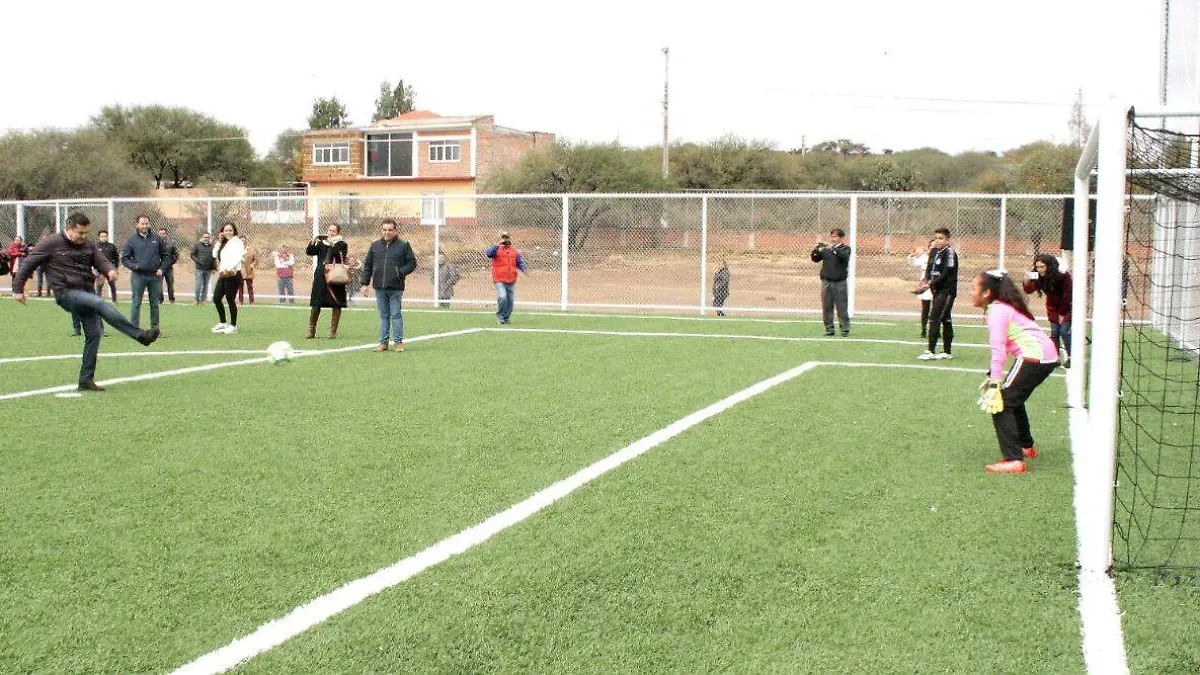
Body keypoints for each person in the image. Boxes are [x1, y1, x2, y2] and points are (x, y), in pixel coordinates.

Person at [11, 213, 159, 392]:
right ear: (68, 229)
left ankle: (86, 380)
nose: (83, 237)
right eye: (80, 233)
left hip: (85, 292)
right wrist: (18, 289)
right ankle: (140, 335)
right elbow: (28, 263)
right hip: (66, 293)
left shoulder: (88, 244)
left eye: (86, 233)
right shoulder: (51, 243)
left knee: (94, 334)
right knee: (99, 303)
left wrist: (109, 271)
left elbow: (100, 260)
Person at [972, 270, 1060, 474]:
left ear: (986, 293)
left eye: (974, 288)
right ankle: (1025, 447)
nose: (971, 292)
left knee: (1001, 402)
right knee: (1012, 398)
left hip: (1036, 357)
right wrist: (991, 376)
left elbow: (998, 349)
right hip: (1043, 356)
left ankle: (1013, 459)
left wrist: (995, 384)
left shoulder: (997, 311)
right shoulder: (1001, 308)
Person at [360, 218, 418, 352]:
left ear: (395, 231)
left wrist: (400, 272)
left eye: (390, 230)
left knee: (396, 314)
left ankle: (398, 343)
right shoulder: (375, 246)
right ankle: (383, 343)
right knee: (383, 315)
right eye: (384, 230)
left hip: (396, 287)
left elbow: (412, 263)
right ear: (381, 231)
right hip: (379, 287)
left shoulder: (403, 246)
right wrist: (364, 284)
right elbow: (368, 265)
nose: (387, 232)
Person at [1022, 253, 1073, 367]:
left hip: (1067, 306)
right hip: (1053, 307)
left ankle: (1071, 357)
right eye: (1038, 267)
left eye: (1042, 267)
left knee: (1064, 331)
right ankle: (1054, 358)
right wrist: (1026, 281)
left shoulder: (1063, 276)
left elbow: (1067, 295)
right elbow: (1029, 290)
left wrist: (1062, 313)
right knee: (1054, 333)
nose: (1039, 270)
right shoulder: (1038, 276)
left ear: (1049, 266)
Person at [120, 214, 168, 332]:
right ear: (137, 224)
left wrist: (162, 269)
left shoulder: (157, 239)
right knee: (136, 303)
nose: (145, 226)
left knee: (155, 304)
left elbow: (166, 256)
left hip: (154, 276)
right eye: (142, 224)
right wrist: (135, 267)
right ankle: (134, 329)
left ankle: (155, 329)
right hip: (138, 276)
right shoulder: (132, 240)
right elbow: (124, 259)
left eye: (147, 223)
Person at [918, 228, 958, 360]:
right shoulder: (934, 251)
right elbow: (929, 268)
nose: (938, 241)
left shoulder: (950, 252)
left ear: (948, 240)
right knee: (945, 318)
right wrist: (925, 280)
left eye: (941, 238)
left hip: (947, 291)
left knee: (934, 317)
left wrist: (931, 283)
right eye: (936, 238)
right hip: (936, 290)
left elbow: (947, 272)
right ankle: (947, 352)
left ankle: (930, 350)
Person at [305, 223, 349, 339]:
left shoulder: (342, 244)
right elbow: (309, 252)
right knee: (316, 303)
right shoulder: (321, 243)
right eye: (329, 230)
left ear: (338, 232)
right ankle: (311, 330)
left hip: (335, 276)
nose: (331, 233)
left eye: (334, 231)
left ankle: (332, 331)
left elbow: (339, 257)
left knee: (336, 303)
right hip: (321, 276)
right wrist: (313, 241)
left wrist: (331, 244)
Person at [810, 228, 852, 337]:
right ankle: (829, 329)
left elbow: (844, 257)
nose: (833, 239)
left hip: (840, 282)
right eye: (832, 237)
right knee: (827, 306)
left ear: (841, 238)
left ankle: (844, 329)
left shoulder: (845, 249)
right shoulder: (826, 250)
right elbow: (815, 259)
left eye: (836, 237)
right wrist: (817, 250)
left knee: (841, 306)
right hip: (826, 281)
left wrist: (832, 248)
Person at [211, 222, 245, 335]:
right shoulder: (223, 242)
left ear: (234, 231)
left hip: (233, 274)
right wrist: (219, 241)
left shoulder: (237, 242)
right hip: (223, 274)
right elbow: (214, 254)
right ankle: (223, 322)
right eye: (226, 230)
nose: (228, 232)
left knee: (230, 299)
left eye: (230, 230)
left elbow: (238, 257)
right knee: (216, 298)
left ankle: (233, 325)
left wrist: (229, 269)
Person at [486, 231, 527, 324]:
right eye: (503, 238)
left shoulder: (514, 251)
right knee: (502, 297)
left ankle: (506, 317)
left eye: (506, 238)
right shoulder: (495, 250)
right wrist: (497, 245)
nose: (505, 239)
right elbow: (488, 254)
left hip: (511, 280)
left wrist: (523, 268)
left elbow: (519, 261)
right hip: (499, 279)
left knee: (510, 300)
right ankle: (500, 315)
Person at [907, 239, 935, 338]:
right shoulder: (924, 258)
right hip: (925, 286)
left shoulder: (941, 257)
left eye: (934, 246)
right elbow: (912, 263)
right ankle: (924, 329)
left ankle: (935, 329)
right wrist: (913, 255)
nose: (932, 248)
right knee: (925, 308)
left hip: (937, 285)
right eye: (931, 246)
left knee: (937, 309)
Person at [190, 232, 215, 305]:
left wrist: (214, 267)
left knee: (205, 285)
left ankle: (202, 300)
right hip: (199, 269)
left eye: (208, 237)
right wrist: (198, 261)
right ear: (202, 237)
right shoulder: (197, 245)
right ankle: (196, 300)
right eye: (205, 237)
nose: (206, 239)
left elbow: (214, 258)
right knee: (198, 285)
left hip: (208, 269)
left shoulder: (212, 246)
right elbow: (192, 254)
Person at [94, 231, 120, 301]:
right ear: (99, 237)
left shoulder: (112, 246)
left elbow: (116, 258)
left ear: (107, 237)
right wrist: (95, 269)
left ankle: (114, 300)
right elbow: (93, 258)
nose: (104, 238)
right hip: (99, 269)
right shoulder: (96, 247)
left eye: (105, 236)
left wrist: (116, 268)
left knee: (112, 285)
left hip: (110, 269)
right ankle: (98, 300)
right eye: (102, 236)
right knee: (99, 285)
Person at [156, 227, 179, 304]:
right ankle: (160, 299)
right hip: (159, 268)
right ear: (158, 234)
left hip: (169, 268)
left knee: (170, 284)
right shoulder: (155, 244)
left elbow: (176, 254)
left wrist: (171, 262)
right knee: (159, 284)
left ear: (166, 234)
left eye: (164, 233)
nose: (162, 235)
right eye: (160, 233)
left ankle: (171, 299)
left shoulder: (171, 244)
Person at [238, 237, 258, 305]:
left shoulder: (251, 250)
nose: (243, 242)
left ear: (246, 241)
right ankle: (241, 301)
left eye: (244, 240)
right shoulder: (236, 250)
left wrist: (252, 265)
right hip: (240, 271)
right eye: (241, 240)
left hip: (249, 271)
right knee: (240, 287)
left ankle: (251, 301)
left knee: (250, 287)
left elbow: (255, 260)